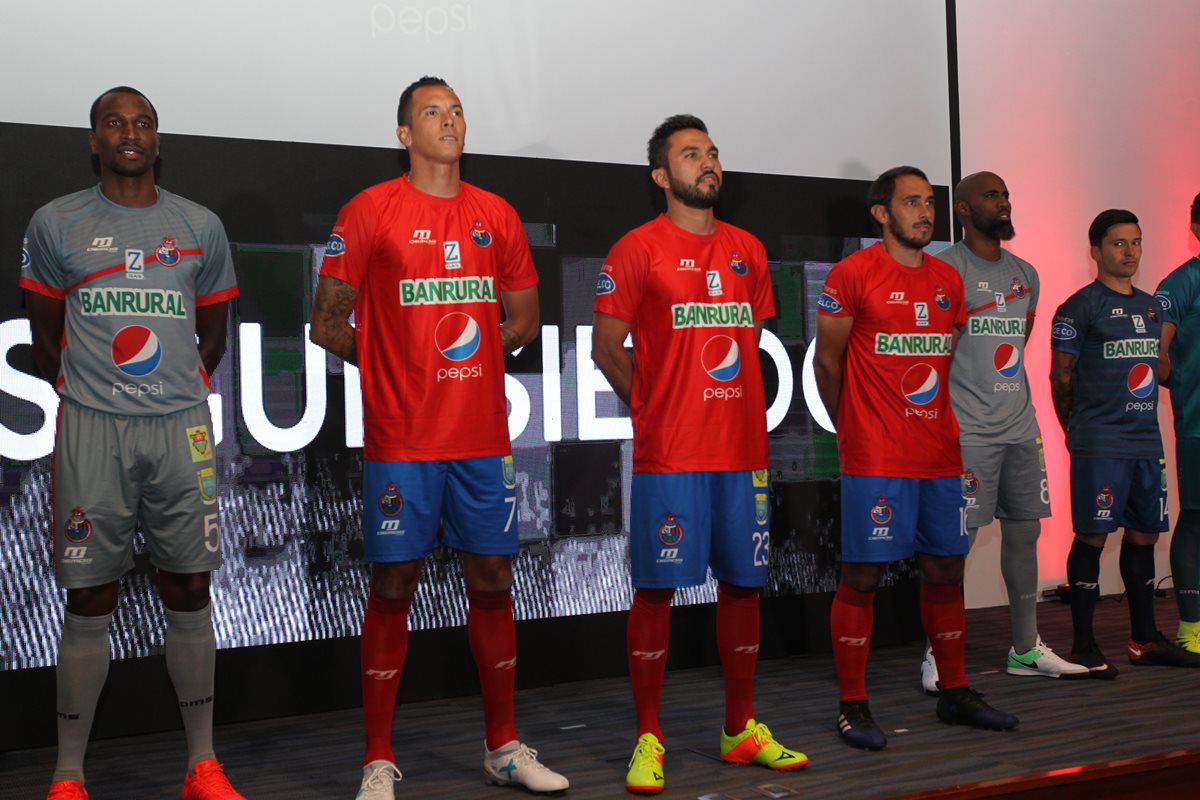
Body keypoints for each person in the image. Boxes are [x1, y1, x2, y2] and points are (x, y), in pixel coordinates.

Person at [309, 76, 568, 799]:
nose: (449, 121)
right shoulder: (369, 212)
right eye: (432, 111)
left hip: (483, 439)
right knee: (394, 585)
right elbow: (327, 323)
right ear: (403, 134)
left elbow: (521, 319)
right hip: (402, 439)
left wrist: (478, 353)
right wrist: (397, 364)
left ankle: (503, 748)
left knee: (493, 581)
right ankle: (378, 759)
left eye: (456, 111)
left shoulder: (496, 215)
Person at [21, 87, 244, 800]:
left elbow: (215, 328)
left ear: (157, 138)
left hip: (180, 427)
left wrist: (178, 386)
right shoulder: (56, 222)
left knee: (190, 585)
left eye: (143, 122)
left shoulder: (199, 225)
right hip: (93, 428)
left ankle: (202, 766)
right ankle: (66, 776)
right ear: (94, 139)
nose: (130, 132)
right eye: (115, 122)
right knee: (89, 594)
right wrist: (90, 390)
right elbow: (43, 331)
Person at [592, 114, 808, 795]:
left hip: (742, 453)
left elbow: (755, 347)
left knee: (744, 585)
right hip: (671, 456)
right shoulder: (634, 250)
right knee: (655, 589)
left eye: (712, 151)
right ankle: (648, 736)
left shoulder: (747, 249)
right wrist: (654, 409)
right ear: (662, 175)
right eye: (691, 154)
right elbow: (606, 348)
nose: (708, 162)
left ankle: (739, 730)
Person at [814, 166, 1019, 751]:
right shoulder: (852, 274)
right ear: (881, 213)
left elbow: (942, 357)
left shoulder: (947, 281)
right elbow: (828, 363)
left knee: (946, 570)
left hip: (938, 453)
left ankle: (955, 691)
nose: (925, 213)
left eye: (929, 203)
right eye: (911, 203)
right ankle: (852, 704)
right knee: (862, 577)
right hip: (876, 456)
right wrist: (853, 426)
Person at [934, 172, 1086, 688]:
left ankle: (1024, 649)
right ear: (962, 209)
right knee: (957, 543)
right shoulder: (943, 270)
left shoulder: (1027, 274)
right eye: (991, 195)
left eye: (1005, 195)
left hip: (1020, 428)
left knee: (1025, 534)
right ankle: (940, 654)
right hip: (967, 432)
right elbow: (939, 355)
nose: (1003, 203)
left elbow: (1015, 345)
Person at [1051, 209, 1200, 674]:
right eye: (1118, 243)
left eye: (1136, 242)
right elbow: (1061, 377)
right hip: (1099, 442)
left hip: (1144, 442)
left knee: (1144, 535)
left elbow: (1159, 368)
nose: (1130, 251)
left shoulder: (1151, 308)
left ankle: (1144, 639)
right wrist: (1074, 431)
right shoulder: (1079, 306)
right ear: (1095, 251)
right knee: (1093, 537)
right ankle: (1083, 646)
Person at [1153, 191, 1200, 654]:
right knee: (1197, 521)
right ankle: (1192, 628)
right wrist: (1185, 388)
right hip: (1198, 426)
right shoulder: (1181, 282)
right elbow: (1156, 353)